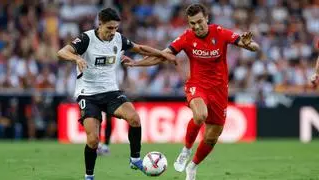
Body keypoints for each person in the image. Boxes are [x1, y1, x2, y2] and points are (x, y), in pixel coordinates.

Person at [122, 3, 260, 180]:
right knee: (200, 115)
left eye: (199, 22)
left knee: (212, 137)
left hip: (219, 90)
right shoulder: (186, 38)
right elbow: (163, 55)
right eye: (192, 23)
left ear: (207, 19)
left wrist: (250, 45)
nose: (196, 26)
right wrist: (135, 63)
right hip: (197, 85)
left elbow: (251, 45)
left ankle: (192, 167)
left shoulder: (219, 32)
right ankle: (185, 150)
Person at [57, 8, 175, 180]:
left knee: (134, 118)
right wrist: (77, 58)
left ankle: (135, 159)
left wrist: (163, 54)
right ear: (100, 24)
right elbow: (61, 52)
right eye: (109, 28)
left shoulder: (119, 39)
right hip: (88, 94)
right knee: (93, 141)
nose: (113, 32)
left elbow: (140, 48)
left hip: (111, 92)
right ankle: (89, 176)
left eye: (116, 28)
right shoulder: (86, 38)